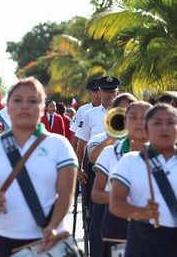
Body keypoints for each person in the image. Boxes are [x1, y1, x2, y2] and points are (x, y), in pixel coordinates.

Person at [0, 77, 78, 256]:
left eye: (33, 101)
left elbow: (66, 194)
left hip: (47, 241)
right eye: (17, 100)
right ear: (7, 106)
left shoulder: (59, 145)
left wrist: (52, 227)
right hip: (2, 242)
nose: (25, 106)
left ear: (43, 107)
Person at [110, 103, 177, 256]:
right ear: (146, 129)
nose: (164, 128)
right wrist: (141, 212)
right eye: (157, 123)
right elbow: (115, 204)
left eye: (171, 122)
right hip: (143, 244)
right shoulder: (130, 160)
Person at [91, 101, 152, 256]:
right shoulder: (110, 152)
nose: (139, 122)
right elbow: (96, 194)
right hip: (117, 227)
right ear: (124, 122)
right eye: (133, 117)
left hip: (155, 228)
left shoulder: (166, 156)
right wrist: (122, 201)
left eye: (145, 118)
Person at [75, 75, 121, 257]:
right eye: (105, 91)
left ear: (117, 92)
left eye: (112, 91)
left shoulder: (127, 113)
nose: (109, 95)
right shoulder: (89, 115)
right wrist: (79, 169)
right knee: (97, 215)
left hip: (121, 164)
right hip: (96, 167)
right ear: (99, 92)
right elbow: (81, 144)